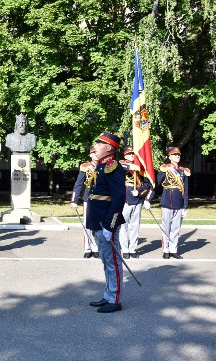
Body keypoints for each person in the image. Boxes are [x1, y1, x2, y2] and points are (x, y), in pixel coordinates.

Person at [86, 132, 126, 313]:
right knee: (106, 261)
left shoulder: (113, 167)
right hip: (98, 221)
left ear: (109, 147)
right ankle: (108, 295)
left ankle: (115, 299)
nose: (96, 146)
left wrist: (111, 225)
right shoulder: (101, 166)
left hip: (106, 222)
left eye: (100, 143)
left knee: (113, 262)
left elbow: (118, 200)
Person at [146, 147, 190, 259]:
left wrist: (185, 206)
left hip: (179, 203)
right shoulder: (165, 169)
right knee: (166, 227)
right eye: (175, 155)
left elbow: (185, 190)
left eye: (178, 155)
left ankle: (173, 250)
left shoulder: (183, 171)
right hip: (167, 202)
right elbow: (155, 185)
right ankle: (166, 250)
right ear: (170, 157)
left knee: (176, 229)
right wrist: (148, 199)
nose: (177, 157)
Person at [119, 146, 152, 259]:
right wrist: (129, 166)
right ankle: (125, 249)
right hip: (125, 199)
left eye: (133, 154)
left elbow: (147, 184)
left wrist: (138, 191)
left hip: (137, 198)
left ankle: (132, 249)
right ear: (125, 155)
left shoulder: (140, 167)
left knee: (135, 226)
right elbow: (117, 167)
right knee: (124, 225)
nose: (131, 156)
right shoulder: (121, 164)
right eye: (129, 154)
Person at [71, 147, 100, 258]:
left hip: (100, 198)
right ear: (90, 155)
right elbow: (79, 184)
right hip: (88, 197)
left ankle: (96, 248)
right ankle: (88, 248)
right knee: (87, 224)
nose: (95, 155)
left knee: (97, 225)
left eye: (96, 153)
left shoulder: (104, 166)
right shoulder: (85, 167)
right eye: (93, 153)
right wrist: (74, 200)